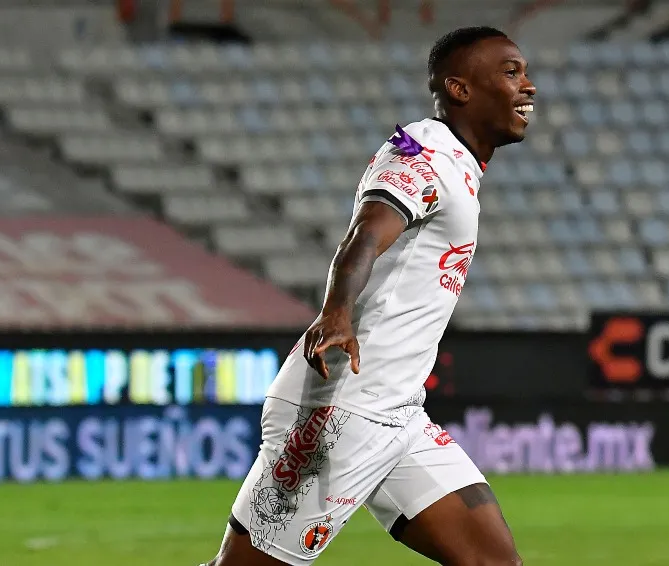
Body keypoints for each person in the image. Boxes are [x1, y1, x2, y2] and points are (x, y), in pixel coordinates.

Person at [201, 26, 535, 566]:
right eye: (511, 72)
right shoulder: (424, 154)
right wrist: (336, 313)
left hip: (399, 414)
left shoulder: (458, 165)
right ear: (460, 89)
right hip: (339, 412)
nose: (528, 86)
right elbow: (365, 234)